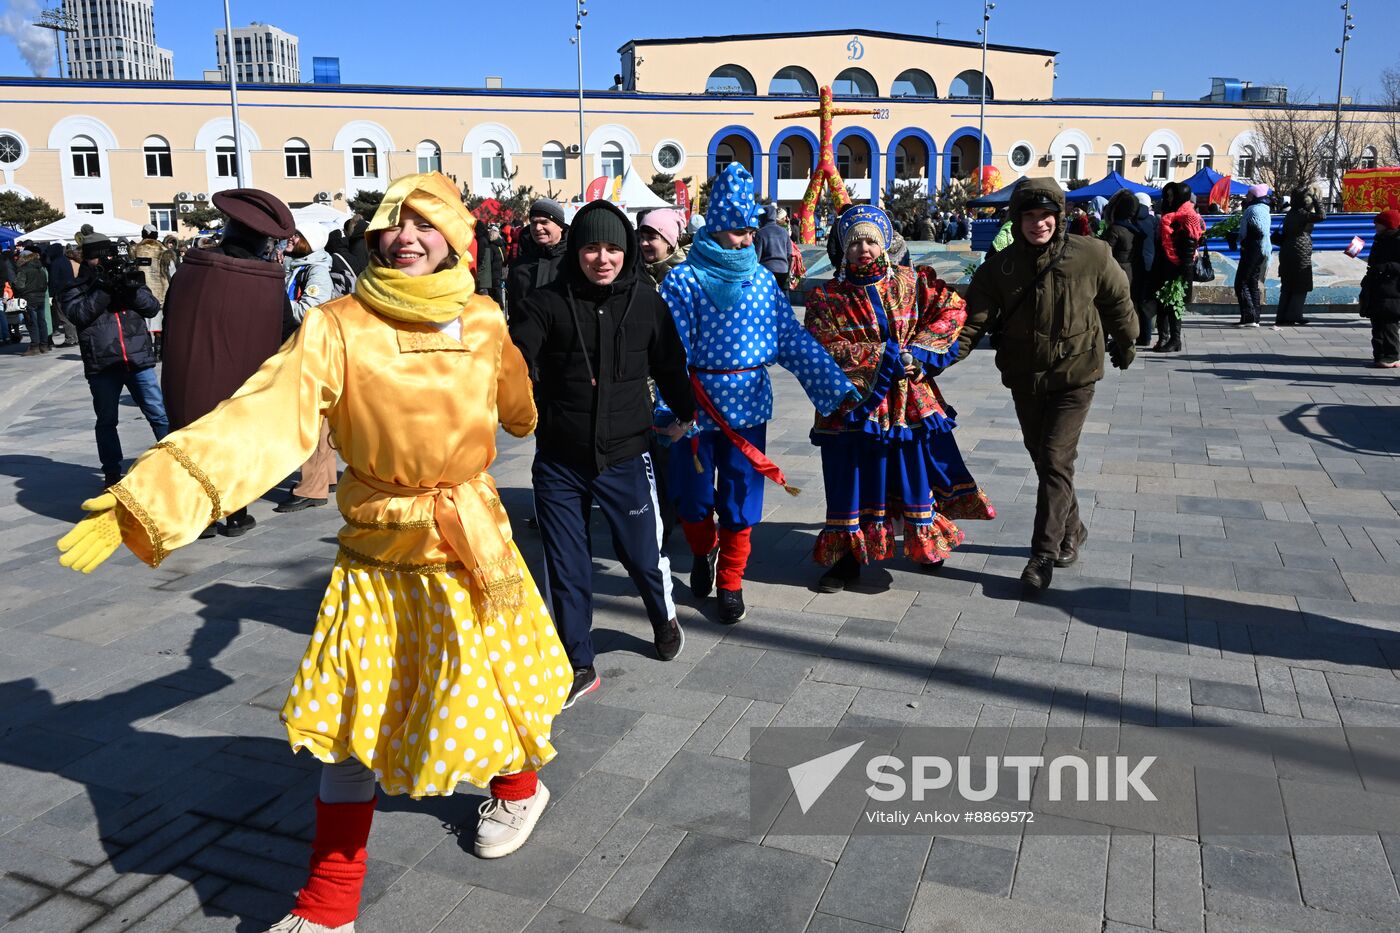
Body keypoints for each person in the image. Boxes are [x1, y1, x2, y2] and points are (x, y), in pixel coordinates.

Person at [57, 173, 567, 931]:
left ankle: (520, 786)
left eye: (424, 222)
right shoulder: (339, 323)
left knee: (495, 681)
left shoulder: (484, 317)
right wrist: (152, 496)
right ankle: (330, 907)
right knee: (349, 726)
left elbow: (520, 410)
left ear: (457, 237)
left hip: (470, 538)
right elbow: (260, 417)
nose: (406, 236)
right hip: (380, 551)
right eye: (392, 223)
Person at [510, 200, 696, 706]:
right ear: (578, 250)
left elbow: (671, 364)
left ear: (627, 249)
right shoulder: (545, 304)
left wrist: (685, 413)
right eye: (592, 246)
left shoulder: (646, 302)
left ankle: (662, 615)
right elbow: (514, 359)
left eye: (613, 247)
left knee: (640, 553)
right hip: (559, 459)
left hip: (626, 455)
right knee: (565, 562)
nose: (602, 257)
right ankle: (577, 659)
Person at [659, 164, 858, 623]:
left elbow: (790, 338)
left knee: (740, 496)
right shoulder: (683, 280)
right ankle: (702, 549)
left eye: (749, 231)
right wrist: (668, 407)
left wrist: (834, 387)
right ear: (714, 229)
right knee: (691, 498)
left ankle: (730, 580)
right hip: (693, 406)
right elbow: (669, 352)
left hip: (747, 405)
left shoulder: (764, 282)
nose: (746, 241)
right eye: (735, 232)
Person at [959, 178, 1137, 592]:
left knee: (1056, 458)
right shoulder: (1000, 267)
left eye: (1046, 215)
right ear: (1016, 219)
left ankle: (1042, 555)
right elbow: (972, 324)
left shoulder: (1090, 254)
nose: (1039, 223)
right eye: (1029, 215)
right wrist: (934, 361)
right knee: (1044, 459)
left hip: (1075, 375)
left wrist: (1127, 340)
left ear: (1060, 216)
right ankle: (1073, 528)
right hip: (1025, 377)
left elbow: (1117, 300)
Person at [805, 205, 995, 591]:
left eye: (871, 240)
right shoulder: (827, 296)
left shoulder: (911, 284)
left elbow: (953, 309)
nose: (864, 249)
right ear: (843, 246)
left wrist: (921, 353)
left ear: (886, 243)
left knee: (911, 471)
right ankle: (847, 559)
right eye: (855, 241)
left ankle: (924, 544)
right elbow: (823, 344)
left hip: (907, 401)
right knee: (851, 478)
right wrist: (885, 358)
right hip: (852, 404)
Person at [160, 188, 299, 538]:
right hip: (243, 381)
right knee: (235, 446)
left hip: (188, 376)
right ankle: (236, 513)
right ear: (263, 242)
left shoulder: (190, 271)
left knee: (191, 442)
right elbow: (286, 331)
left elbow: (172, 316)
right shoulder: (266, 281)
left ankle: (200, 518)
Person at [59, 231, 169, 486]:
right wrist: (104, 289)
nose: (106, 259)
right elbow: (79, 315)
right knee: (107, 420)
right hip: (103, 363)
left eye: (109, 254)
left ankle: (172, 463)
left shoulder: (125, 274)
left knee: (159, 414)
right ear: (88, 259)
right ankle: (111, 472)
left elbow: (151, 307)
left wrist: (129, 289)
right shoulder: (75, 288)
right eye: (100, 256)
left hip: (137, 359)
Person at [277, 221, 340, 514]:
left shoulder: (316, 270)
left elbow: (311, 310)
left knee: (308, 418)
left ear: (310, 241)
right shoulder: (298, 265)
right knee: (319, 417)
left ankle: (310, 488)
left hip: (309, 350)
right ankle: (324, 478)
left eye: (297, 235)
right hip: (304, 349)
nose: (290, 238)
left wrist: (274, 302)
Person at [1151, 181, 1203, 353]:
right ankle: (1164, 337)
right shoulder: (1172, 215)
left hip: (1178, 268)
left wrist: (1184, 271)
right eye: (1168, 195)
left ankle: (1175, 339)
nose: (1169, 198)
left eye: (1173, 195)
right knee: (1164, 304)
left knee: (1174, 304)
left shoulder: (1187, 217)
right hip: (1166, 266)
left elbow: (1190, 245)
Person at [506, 198, 569, 314]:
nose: (538, 228)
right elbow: (514, 309)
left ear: (560, 226)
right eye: (534, 222)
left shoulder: (575, 262)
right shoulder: (518, 266)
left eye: (544, 222)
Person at [1275, 186, 1326, 327]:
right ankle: (1294, 315)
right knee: (1300, 285)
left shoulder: (1290, 213)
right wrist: (1316, 199)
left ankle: (1282, 316)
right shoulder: (1302, 214)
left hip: (1286, 251)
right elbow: (1322, 216)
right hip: (1300, 252)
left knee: (1287, 285)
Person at [1360, 209, 1400, 368]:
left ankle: (1392, 355)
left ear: (1387, 224)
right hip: (1376, 285)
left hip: (1392, 288)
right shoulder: (1380, 239)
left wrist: (1385, 267)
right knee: (1377, 321)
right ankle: (1379, 354)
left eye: (1378, 223)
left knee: (1389, 323)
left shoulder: (1396, 240)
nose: (1375, 225)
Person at [1233, 184, 1272, 329]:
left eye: (1249, 194)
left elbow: (1257, 230)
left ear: (1254, 196)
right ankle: (1254, 317)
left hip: (1252, 250)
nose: (1247, 196)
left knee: (1241, 283)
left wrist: (1240, 238)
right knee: (1252, 283)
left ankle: (1249, 317)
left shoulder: (1254, 209)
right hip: (1261, 250)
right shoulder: (1264, 208)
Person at [132, 225, 172, 356]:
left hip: (140, 293)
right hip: (160, 292)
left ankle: (147, 350)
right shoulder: (163, 250)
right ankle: (159, 351)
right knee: (158, 323)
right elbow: (171, 271)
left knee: (144, 323)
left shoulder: (134, 250)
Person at [12, 245, 50, 355]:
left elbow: (19, 285)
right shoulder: (41, 268)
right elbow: (45, 284)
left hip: (28, 298)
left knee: (32, 322)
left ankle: (34, 346)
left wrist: (16, 286)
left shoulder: (24, 269)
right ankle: (44, 345)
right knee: (41, 321)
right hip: (40, 297)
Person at [637, 208, 687, 288]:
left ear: (669, 242)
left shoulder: (685, 277)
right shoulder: (634, 270)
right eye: (642, 237)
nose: (643, 243)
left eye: (651, 238)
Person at [756, 203, 791, 289]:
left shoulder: (760, 233)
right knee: (780, 295)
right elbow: (789, 253)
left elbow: (757, 256)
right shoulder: (784, 232)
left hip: (767, 270)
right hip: (783, 270)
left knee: (768, 296)